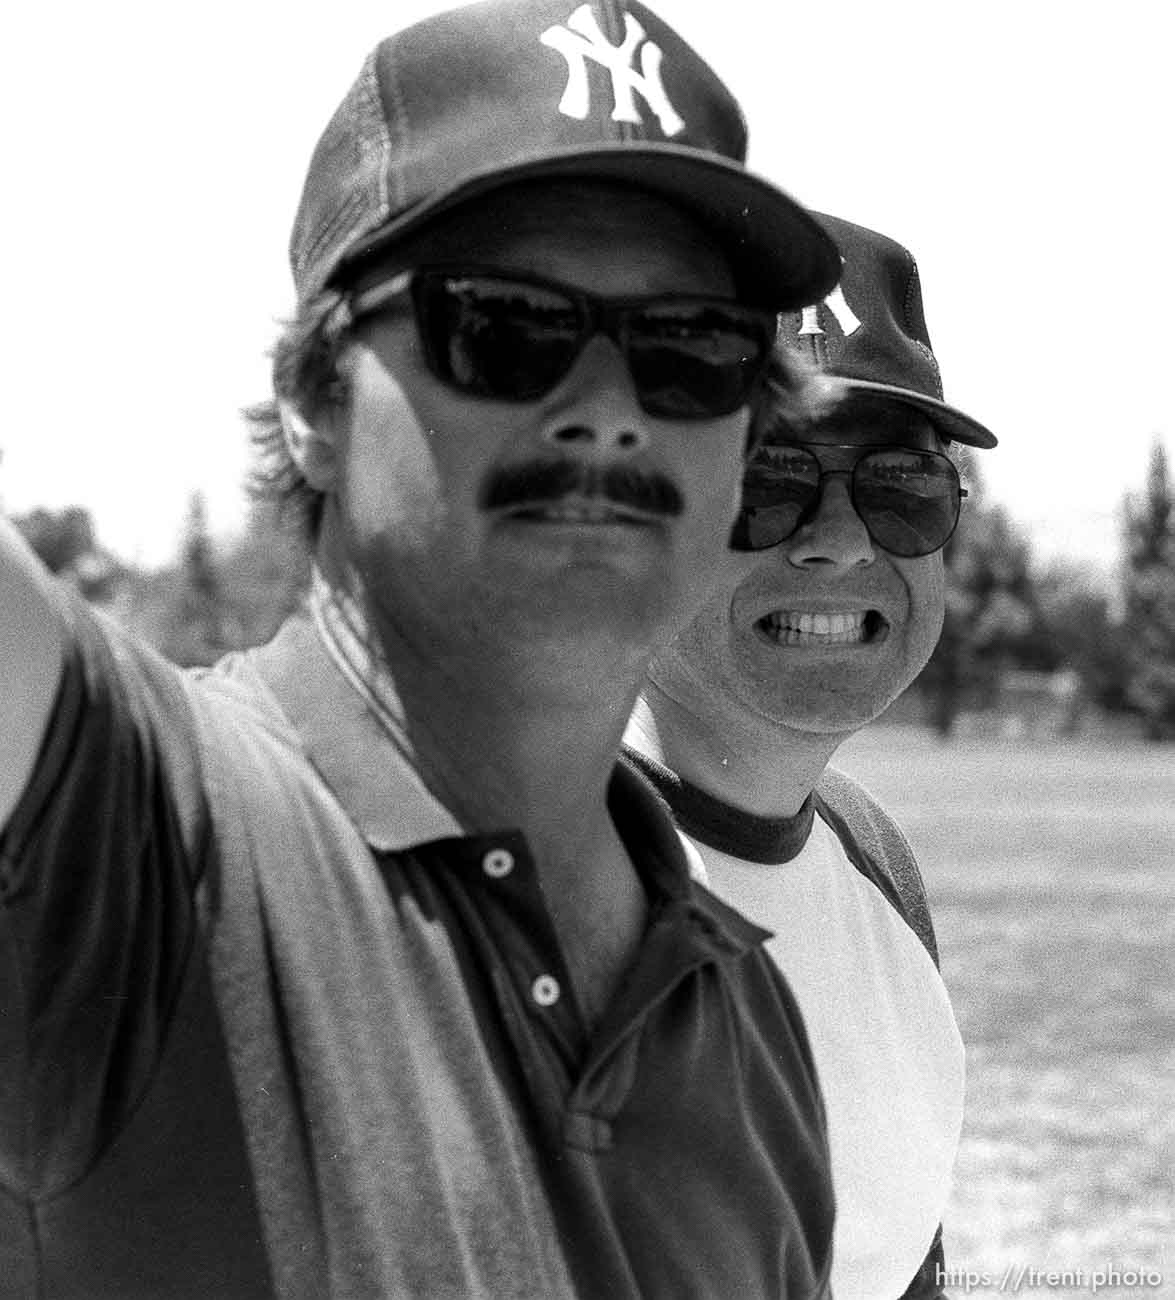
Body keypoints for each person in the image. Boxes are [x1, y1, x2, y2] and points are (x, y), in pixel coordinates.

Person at [0, 2, 846, 1297]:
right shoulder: (134, 836)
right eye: (502, 323)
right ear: (312, 400)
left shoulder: (746, 1023)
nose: (607, 413)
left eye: (689, 349)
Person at [624, 213, 999, 1300]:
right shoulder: (515, 866)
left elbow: (897, 1262)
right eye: (762, 476)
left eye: (900, 484)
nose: (838, 538)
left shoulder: (872, 860)